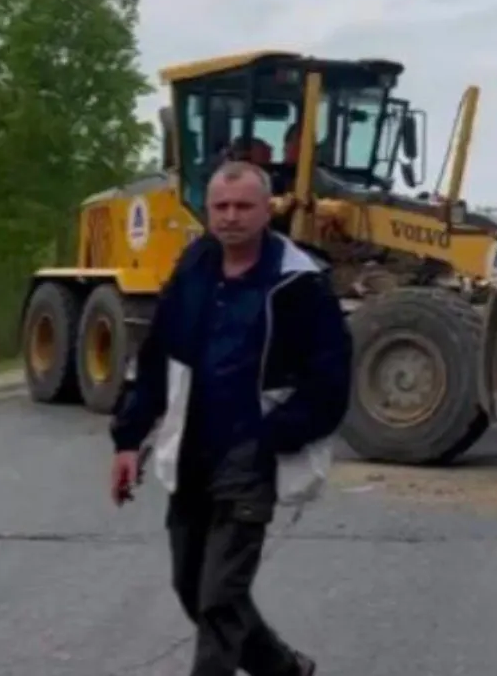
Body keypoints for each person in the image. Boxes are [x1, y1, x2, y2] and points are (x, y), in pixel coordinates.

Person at [109, 161, 352, 676]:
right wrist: (128, 439)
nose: (231, 217)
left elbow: (330, 380)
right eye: (220, 206)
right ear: (208, 210)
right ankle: (283, 670)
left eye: (244, 206)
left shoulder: (301, 283)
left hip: (252, 456)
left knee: (220, 598)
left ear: (268, 211)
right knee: (192, 588)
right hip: (193, 450)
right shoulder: (194, 267)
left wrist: (275, 434)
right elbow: (156, 357)